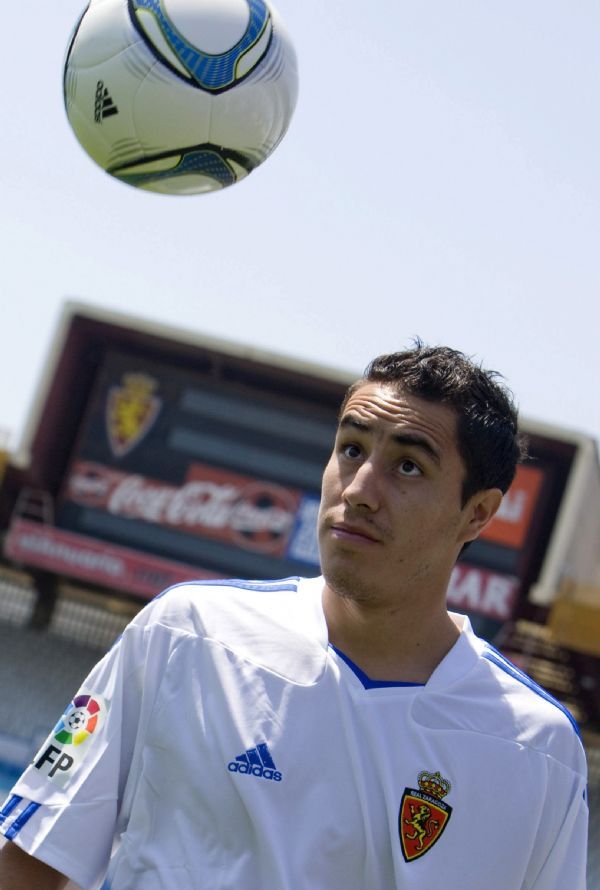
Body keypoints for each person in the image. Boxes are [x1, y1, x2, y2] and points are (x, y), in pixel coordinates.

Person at [0, 343, 588, 889]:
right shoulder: (186, 633)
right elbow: (32, 859)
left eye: (409, 466)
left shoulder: (537, 751)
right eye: (352, 449)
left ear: (477, 515)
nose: (359, 489)